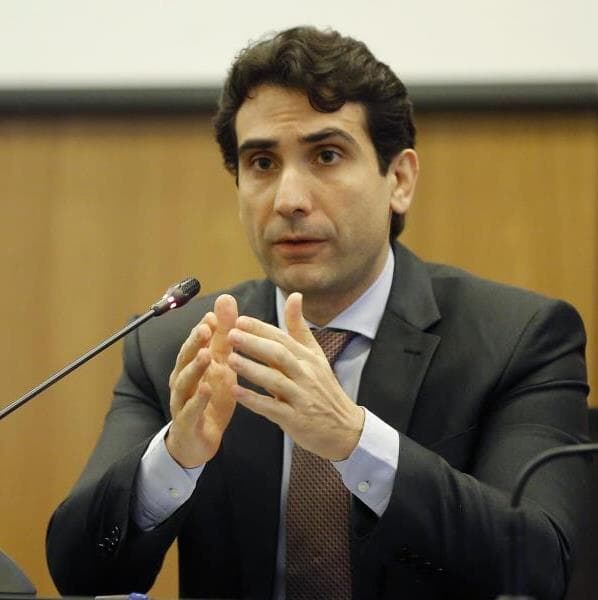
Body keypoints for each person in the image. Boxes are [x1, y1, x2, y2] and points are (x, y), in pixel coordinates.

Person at [46, 26, 591, 600]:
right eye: (262, 162)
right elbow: (80, 574)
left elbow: (539, 565)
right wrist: (173, 462)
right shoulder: (176, 348)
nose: (289, 200)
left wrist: (355, 441)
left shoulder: (519, 339)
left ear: (399, 180)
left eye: (327, 155)